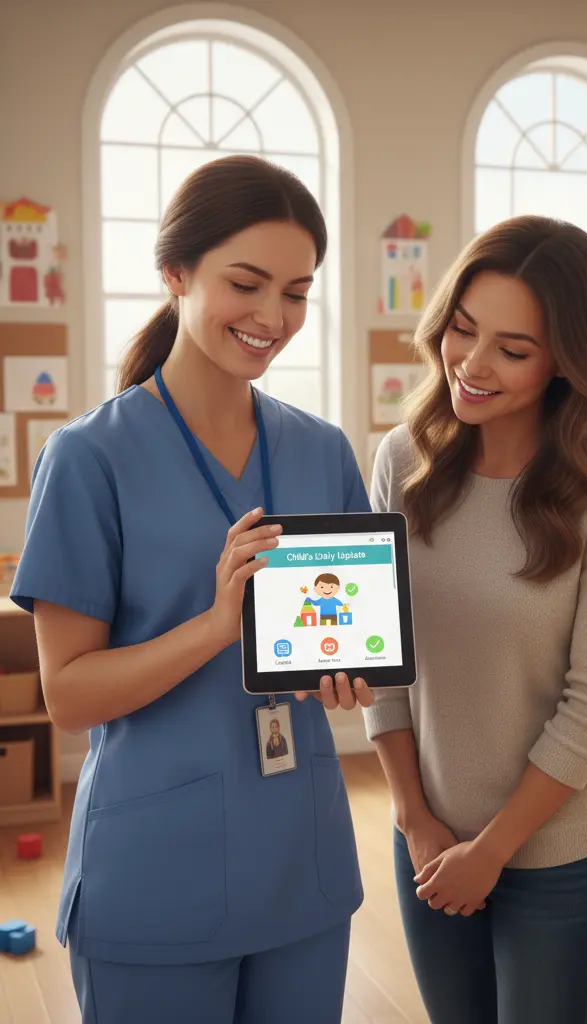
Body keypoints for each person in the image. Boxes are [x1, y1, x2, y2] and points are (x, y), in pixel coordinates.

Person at [12, 155, 373, 1024]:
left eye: (296, 292)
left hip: (302, 858)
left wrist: (358, 671)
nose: (272, 317)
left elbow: (354, 637)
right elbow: (68, 694)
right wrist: (217, 626)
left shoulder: (323, 451)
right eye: (246, 284)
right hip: (155, 869)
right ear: (175, 273)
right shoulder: (90, 459)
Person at [363, 215, 587, 1024]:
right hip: (425, 840)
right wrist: (413, 819)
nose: (473, 364)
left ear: (569, 360)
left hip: (557, 858)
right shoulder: (402, 459)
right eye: (462, 329)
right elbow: (387, 662)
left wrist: (490, 853)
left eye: (513, 349)